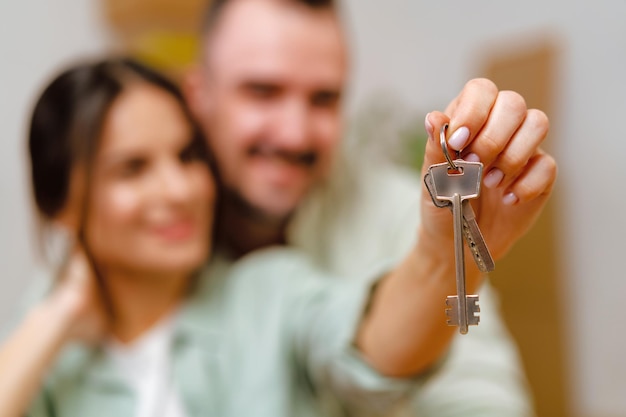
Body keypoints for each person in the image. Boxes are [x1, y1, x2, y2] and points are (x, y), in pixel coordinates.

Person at [0, 55, 549, 417]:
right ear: (62, 208)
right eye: (132, 168)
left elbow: (376, 353)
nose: (179, 188)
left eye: (188, 156)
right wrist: (58, 313)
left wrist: (442, 251)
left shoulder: (270, 292)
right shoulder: (51, 353)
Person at [183, 0, 557, 415]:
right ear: (199, 96)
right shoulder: (146, 233)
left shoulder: (406, 214)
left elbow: (482, 399)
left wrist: (442, 261)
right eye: (263, 92)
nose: (294, 134)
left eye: (323, 99)